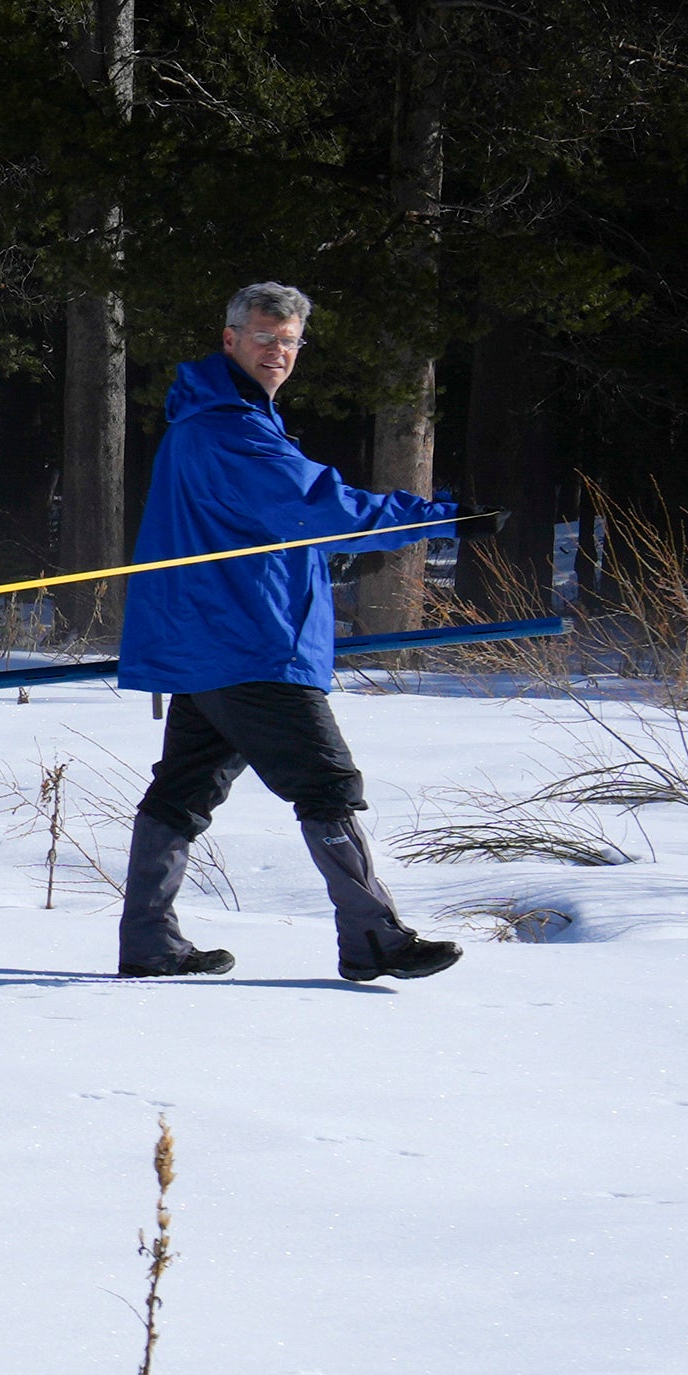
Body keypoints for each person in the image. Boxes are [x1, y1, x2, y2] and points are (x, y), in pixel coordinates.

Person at [112, 282, 464, 987]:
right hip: (251, 645)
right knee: (326, 783)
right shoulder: (229, 429)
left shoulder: (227, 421)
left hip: (215, 644)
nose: (278, 353)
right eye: (265, 338)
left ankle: (149, 942)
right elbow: (313, 505)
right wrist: (433, 517)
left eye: (290, 341)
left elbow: (281, 522)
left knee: (181, 792)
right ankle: (371, 935)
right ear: (231, 339)